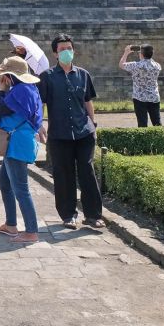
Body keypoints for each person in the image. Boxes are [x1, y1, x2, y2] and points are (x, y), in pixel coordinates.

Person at [37, 33, 104, 229]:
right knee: (63, 174)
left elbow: (87, 101)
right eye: (62, 49)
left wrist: (94, 125)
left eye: (69, 48)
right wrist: (40, 123)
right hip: (59, 134)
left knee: (87, 171)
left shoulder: (83, 74)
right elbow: (40, 102)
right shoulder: (47, 77)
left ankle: (93, 215)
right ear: (55, 54)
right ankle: (68, 215)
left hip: (84, 131)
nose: (66, 52)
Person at [0, 57, 43, 244]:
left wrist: (2, 90)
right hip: (16, 143)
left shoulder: (19, 90)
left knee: (21, 189)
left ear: (9, 76)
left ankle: (31, 231)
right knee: (4, 182)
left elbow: (2, 108)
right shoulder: (29, 89)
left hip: (17, 144)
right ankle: (11, 224)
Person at [119, 43, 162, 127]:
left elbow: (121, 65)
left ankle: (143, 140)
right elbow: (150, 60)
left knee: (142, 123)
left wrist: (126, 52)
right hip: (154, 96)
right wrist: (147, 51)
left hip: (139, 97)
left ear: (141, 54)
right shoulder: (157, 66)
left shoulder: (136, 65)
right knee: (157, 122)